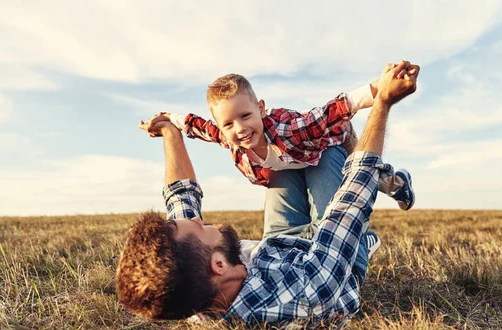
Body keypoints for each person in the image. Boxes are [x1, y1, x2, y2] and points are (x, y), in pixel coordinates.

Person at [116, 61, 420, 327]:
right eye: (199, 226)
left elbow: (182, 200)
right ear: (219, 265)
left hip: (279, 240)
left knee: (282, 161)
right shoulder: (308, 293)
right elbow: (350, 203)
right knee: (326, 158)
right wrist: (382, 101)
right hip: (327, 251)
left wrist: (170, 130)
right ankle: (380, 210)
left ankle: (378, 181)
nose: (198, 220)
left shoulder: (191, 290)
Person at [143, 68, 416, 244]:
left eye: (246, 116)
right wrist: (168, 119)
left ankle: (397, 185)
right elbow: (197, 126)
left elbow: (336, 110)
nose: (240, 128)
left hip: (327, 144)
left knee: (364, 176)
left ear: (261, 109)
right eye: (228, 124)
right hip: (291, 163)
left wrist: (381, 86)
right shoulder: (230, 139)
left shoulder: (290, 130)